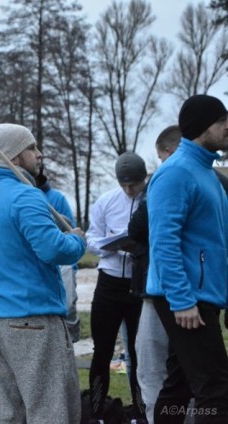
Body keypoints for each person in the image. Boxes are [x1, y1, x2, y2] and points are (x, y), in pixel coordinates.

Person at [0, 123, 86, 423]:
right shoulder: (25, 197)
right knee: (50, 411)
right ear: (14, 157)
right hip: (32, 322)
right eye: (31, 147)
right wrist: (77, 241)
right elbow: (55, 250)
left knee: (6, 413)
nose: (39, 153)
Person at [147, 94, 228, 423]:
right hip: (186, 299)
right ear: (202, 128)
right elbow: (163, 242)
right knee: (217, 389)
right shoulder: (175, 173)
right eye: (223, 123)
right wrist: (182, 300)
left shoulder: (206, 172)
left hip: (201, 295)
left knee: (179, 386)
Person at [86, 151, 147, 424]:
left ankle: (141, 412)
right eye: (124, 184)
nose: (129, 189)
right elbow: (91, 237)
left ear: (143, 178)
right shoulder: (106, 201)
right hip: (109, 283)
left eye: (133, 184)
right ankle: (97, 413)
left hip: (138, 284)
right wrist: (109, 247)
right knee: (102, 350)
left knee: (138, 353)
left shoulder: (152, 199)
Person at [128, 125, 180, 424]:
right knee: (188, 371)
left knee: (153, 369)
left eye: (161, 158)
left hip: (162, 290)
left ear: (169, 152)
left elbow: (136, 228)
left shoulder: (165, 181)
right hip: (199, 291)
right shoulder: (215, 181)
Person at [36, 165, 81, 342]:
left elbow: (71, 231)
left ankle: (71, 344)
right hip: (39, 270)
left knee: (67, 309)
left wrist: (72, 267)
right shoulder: (21, 198)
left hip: (63, 266)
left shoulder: (56, 198)